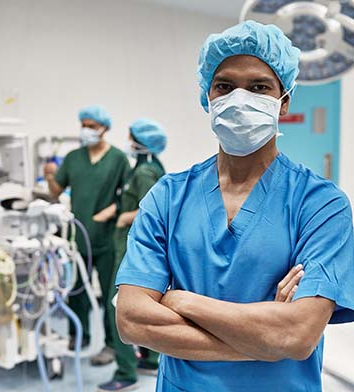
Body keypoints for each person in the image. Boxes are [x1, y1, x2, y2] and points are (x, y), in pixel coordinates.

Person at [115, 21, 354, 392]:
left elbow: (296, 335)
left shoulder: (321, 205)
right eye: (225, 86)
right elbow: (133, 322)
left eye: (259, 87)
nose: (239, 99)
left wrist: (182, 300)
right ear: (208, 97)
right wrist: (264, 341)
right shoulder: (168, 197)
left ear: (284, 100)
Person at [44, 104, 130, 365]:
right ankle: (77, 336)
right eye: (84, 125)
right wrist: (49, 176)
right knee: (76, 291)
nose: (86, 130)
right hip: (76, 239)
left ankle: (111, 345)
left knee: (107, 295)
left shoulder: (118, 159)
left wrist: (109, 212)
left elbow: (127, 197)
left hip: (105, 239)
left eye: (91, 126)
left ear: (104, 128)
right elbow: (55, 192)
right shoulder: (73, 158)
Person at [97, 118, 167, 392]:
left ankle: (125, 372)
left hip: (129, 249)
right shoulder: (145, 168)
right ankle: (150, 359)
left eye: (131, 136)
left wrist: (125, 216)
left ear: (142, 141)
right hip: (133, 247)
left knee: (118, 307)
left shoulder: (145, 172)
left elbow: (153, 210)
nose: (128, 140)